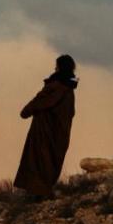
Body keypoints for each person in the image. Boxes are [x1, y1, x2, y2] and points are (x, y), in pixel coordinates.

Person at [14, 55, 77, 198]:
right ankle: (42, 191)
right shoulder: (69, 89)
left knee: (40, 161)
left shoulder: (55, 87)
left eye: (57, 66)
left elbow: (37, 103)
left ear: (60, 67)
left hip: (44, 132)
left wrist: (27, 110)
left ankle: (40, 193)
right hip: (59, 133)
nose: (54, 68)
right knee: (50, 161)